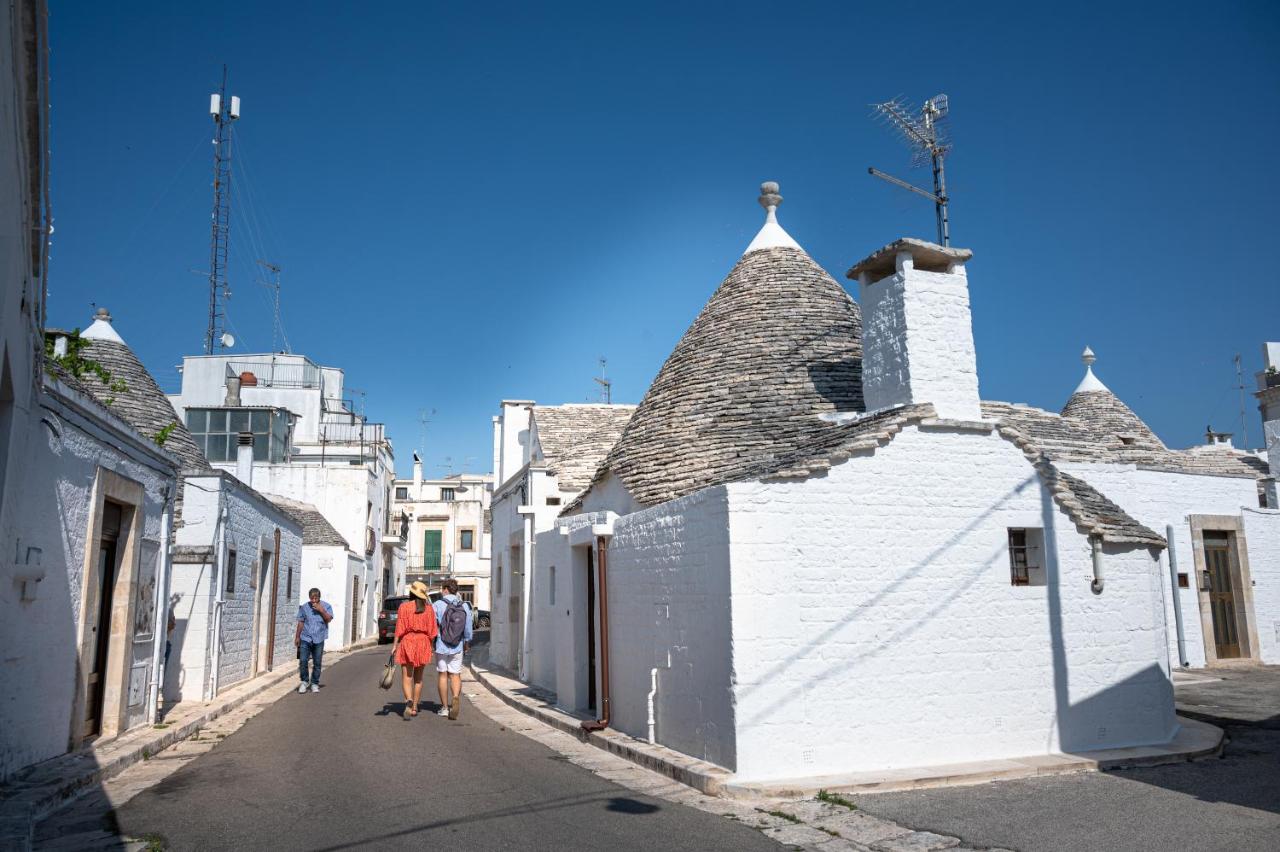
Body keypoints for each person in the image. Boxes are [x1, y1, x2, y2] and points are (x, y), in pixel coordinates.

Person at [389, 581, 438, 719]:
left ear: (411, 593)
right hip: (423, 643)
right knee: (418, 678)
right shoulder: (429, 609)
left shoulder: (404, 607)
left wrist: (394, 646)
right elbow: (433, 632)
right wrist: (431, 646)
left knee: (406, 676)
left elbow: (399, 629)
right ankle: (415, 707)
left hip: (408, 642)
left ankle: (408, 700)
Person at [433, 579, 472, 719]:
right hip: (458, 645)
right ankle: (455, 697)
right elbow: (468, 628)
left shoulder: (437, 605)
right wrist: (466, 642)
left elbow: (432, 626)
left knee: (443, 675)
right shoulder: (465, 606)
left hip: (441, 645)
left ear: (445, 589)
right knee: (455, 674)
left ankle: (444, 707)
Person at [294, 588, 333, 694]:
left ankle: (315, 683)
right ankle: (304, 682)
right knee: (303, 660)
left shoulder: (326, 606)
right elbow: (301, 622)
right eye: (312, 598)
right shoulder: (305, 607)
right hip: (305, 637)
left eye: (316, 598)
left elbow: (328, 619)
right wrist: (297, 637)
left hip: (319, 638)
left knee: (317, 662)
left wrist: (321, 610)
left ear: (319, 598)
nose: (314, 601)